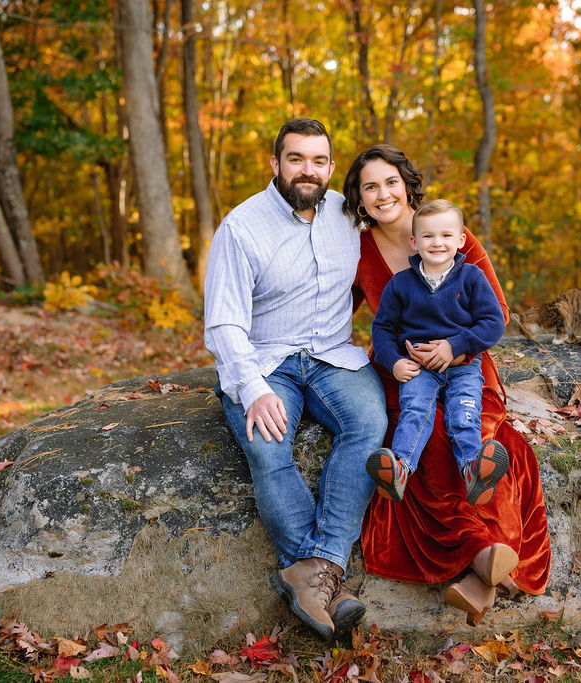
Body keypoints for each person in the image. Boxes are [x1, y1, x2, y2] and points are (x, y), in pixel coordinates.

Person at [343, 144, 551, 624]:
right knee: (427, 437)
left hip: (465, 366)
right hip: (406, 375)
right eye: (370, 186)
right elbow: (336, 314)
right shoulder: (357, 250)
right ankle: (485, 557)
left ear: (407, 184)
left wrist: (452, 349)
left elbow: (494, 314)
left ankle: (484, 572)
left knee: (488, 442)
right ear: (358, 196)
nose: (382, 194)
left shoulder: (453, 236)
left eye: (390, 182)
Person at [203, 118, 387, 642]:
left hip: (332, 355)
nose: (309, 170)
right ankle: (323, 573)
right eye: (296, 159)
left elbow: (408, 232)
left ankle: (314, 571)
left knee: (370, 425)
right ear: (275, 163)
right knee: (268, 445)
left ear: (331, 166)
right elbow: (223, 323)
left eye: (319, 160)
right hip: (264, 360)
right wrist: (253, 389)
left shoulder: (347, 215)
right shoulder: (241, 227)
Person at [367, 199, 509, 508]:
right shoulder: (400, 284)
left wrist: (455, 345)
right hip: (419, 368)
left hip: (463, 366)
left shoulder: (471, 278)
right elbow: (382, 329)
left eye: (446, 235)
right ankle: (399, 470)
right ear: (414, 242)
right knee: (416, 411)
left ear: (461, 240)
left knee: (464, 412)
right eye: (429, 236)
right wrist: (394, 363)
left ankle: (474, 470)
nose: (437, 243)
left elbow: (493, 322)